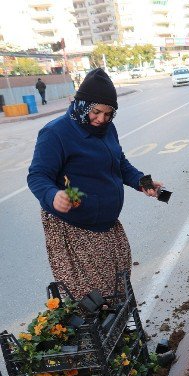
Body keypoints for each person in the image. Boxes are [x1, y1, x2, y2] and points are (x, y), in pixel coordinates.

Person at [27, 68, 163, 299]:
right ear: (82, 104)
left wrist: (143, 182)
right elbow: (37, 176)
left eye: (108, 114)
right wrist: (53, 195)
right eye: (96, 112)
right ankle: (106, 335)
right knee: (93, 297)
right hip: (74, 228)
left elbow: (120, 164)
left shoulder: (108, 130)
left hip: (107, 225)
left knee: (118, 285)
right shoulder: (55, 133)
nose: (101, 119)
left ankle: (122, 333)